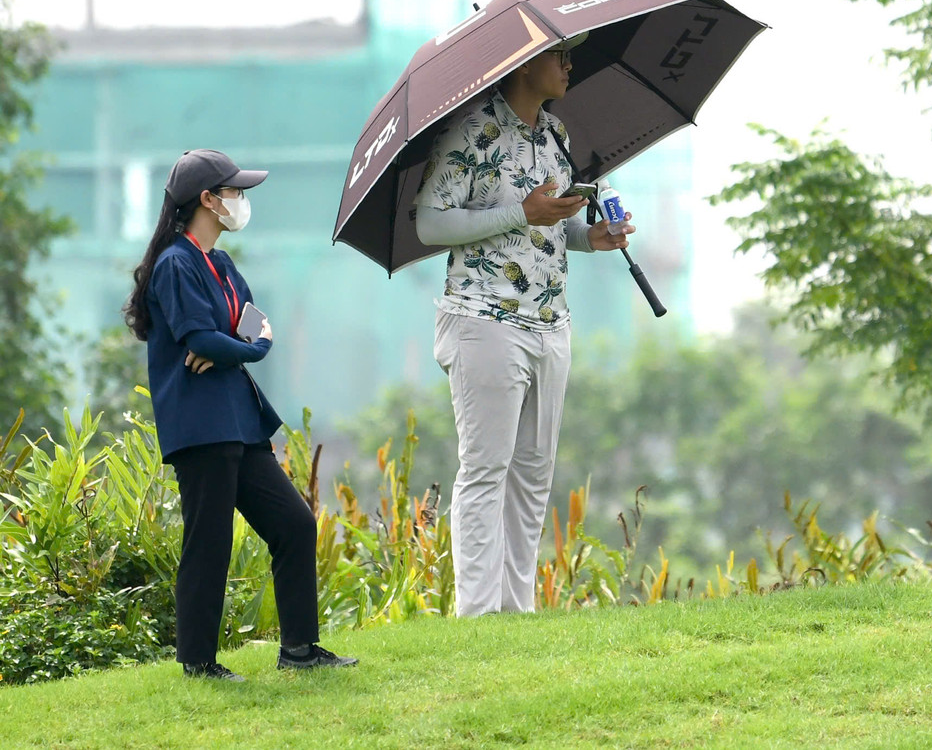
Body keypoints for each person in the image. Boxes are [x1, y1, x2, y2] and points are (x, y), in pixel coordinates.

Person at [414, 35, 635, 616]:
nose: (570, 65)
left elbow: (550, 229)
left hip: (550, 321)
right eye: (560, 54)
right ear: (524, 60)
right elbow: (431, 224)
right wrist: (521, 211)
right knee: (486, 468)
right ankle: (479, 615)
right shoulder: (468, 129)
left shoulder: (556, 135)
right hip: (484, 318)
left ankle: (519, 611)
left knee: (534, 472)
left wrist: (593, 238)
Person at [123, 149, 357, 681]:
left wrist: (233, 343)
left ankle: (299, 649)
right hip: (201, 427)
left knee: (294, 525)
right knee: (209, 543)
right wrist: (240, 345)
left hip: (237, 420)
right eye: (233, 191)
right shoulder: (175, 263)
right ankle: (197, 663)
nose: (241, 201)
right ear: (208, 200)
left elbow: (251, 325)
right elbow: (214, 337)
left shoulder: (221, 264)